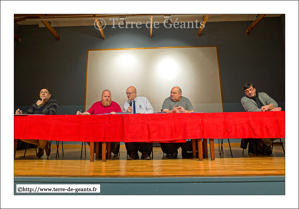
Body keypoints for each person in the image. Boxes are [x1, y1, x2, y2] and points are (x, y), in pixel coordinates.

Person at [77, 90, 122, 156]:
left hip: (111, 130)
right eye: (105, 96)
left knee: (118, 134)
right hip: (96, 130)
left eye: (108, 96)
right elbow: (88, 113)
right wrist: (81, 114)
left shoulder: (115, 105)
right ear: (101, 97)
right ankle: (98, 150)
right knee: (87, 133)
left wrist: (116, 114)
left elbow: (121, 116)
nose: (107, 98)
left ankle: (112, 150)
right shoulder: (96, 104)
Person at [241, 83, 282, 155]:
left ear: (254, 89)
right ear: (245, 93)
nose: (250, 92)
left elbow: (274, 103)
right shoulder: (244, 99)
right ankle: (267, 144)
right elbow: (253, 110)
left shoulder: (263, 95)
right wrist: (271, 110)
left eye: (251, 90)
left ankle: (266, 144)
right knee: (263, 129)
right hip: (256, 122)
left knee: (281, 128)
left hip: (270, 120)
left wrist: (268, 106)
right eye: (247, 91)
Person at [15, 88, 57, 158]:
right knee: (21, 136)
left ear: (49, 95)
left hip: (46, 127)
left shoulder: (53, 102)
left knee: (42, 134)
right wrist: (21, 113)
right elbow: (28, 113)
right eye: (41, 92)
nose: (43, 93)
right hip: (34, 127)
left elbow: (51, 114)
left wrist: (40, 105)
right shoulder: (36, 104)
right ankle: (44, 144)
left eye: (45, 92)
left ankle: (40, 149)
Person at [161, 86, 195, 159]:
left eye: (174, 93)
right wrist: (172, 112)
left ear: (180, 94)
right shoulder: (167, 100)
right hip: (170, 126)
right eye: (171, 92)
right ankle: (171, 152)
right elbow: (164, 111)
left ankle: (187, 151)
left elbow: (192, 112)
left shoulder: (186, 100)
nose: (171, 94)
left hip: (184, 126)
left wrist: (185, 111)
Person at [123, 86, 154, 160]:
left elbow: (151, 110)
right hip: (132, 126)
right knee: (127, 133)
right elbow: (124, 116)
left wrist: (142, 115)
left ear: (135, 93)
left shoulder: (143, 99)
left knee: (148, 133)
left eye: (130, 93)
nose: (128, 95)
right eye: (127, 93)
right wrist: (127, 112)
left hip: (143, 125)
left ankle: (145, 154)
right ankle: (132, 153)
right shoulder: (126, 104)